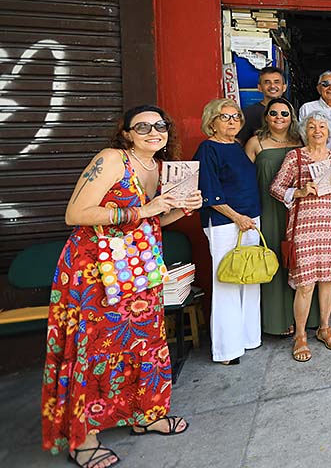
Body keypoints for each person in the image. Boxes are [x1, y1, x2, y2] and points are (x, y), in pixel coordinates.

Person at [42, 105, 200, 468]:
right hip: (95, 270)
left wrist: (183, 208)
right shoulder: (112, 159)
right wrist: (145, 211)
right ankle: (83, 439)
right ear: (126, 133)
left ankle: (146, 414)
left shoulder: (158, 168)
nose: (152, 131)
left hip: (139, 267)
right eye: (141, 126)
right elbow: (75, 213)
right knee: (94, 347)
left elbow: (156, 219)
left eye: (159, 125)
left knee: (145, 341)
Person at [269, 111, 331, 362]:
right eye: (313, 127)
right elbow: (275, 188)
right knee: (305, 284)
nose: (318, 131)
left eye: (323, 127)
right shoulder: (294, 157)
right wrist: (300, 190)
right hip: (304, 227)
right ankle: (301, 335)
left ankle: (325, 328)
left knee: (327, 281)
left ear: (329, 132)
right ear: (305, 131)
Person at [194, 99, 263, 365]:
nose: (233, 121)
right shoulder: (207, 149)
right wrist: (236, 217)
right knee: (226, 282)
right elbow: (209, 192)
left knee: (250, 278)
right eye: (225, 117)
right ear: (212, 121)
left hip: (250, 220)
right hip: (226, 223)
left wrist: (249, 218)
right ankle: (227, 349)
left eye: (236, 117)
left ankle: (248, 338)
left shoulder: (236, 147)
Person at [244, 97, 306, 337]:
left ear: (291, 117)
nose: (279, 117)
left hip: (299, 209)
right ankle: (277, 320)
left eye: (284, 113)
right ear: (266, 116)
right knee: (274, 260)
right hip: (269, 208)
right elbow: (244, 179)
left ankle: (302, 319)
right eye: (274, 113)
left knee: (299, 262)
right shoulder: (255, 143)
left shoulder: (299, 141)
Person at [237, 66, 286, 144]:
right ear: (259, 88)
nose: (272, 86)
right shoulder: (248, 113)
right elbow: (239, 142)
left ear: (284, 87)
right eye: (267, 82)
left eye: (276, 82)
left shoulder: (291, 111)